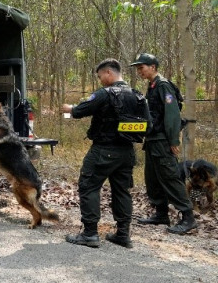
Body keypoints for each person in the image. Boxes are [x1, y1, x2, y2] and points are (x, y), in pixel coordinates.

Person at [62, 58, 151, 248]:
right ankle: (123, 234)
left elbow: (80, 111)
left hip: (103, 150)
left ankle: (90, 234)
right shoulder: (137, 95)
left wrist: (70, 109)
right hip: (127, 153)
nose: (101, 80)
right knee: (122, 191)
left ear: (109, 73)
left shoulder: (105, 93)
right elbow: (148, 125)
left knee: (88, 186)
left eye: (101, 75)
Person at [130, 53, 196, 235]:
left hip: (162, 140)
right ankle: (161, 214)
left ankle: (188, 218)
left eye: (141, 68)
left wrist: (174, 140)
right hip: (152, 139)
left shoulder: (163, 85)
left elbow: (172, 114)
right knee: (153, 179)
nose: (139, 71)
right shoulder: (152, 86)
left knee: (170, 178)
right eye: (138, 69)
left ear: (153, 67)